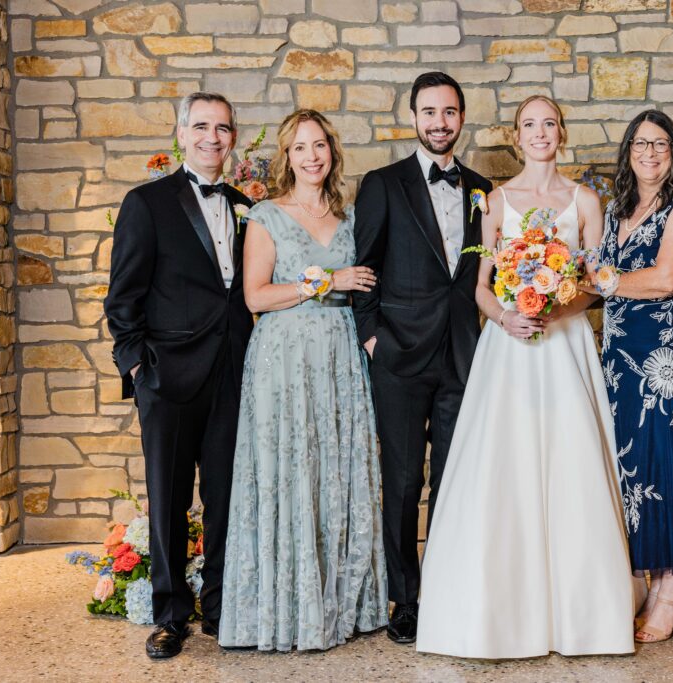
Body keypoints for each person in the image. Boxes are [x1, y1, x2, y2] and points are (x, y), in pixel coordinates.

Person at [415, 95, 634, 659]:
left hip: (564, 345)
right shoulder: (495, 200)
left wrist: (560, 307)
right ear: (517, 136)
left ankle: (583, 616)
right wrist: (509, 315)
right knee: (503, 465)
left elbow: (596, 282)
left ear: (563, 132)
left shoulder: (586, 200)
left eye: (550, 123)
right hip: (509, 348)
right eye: (530, 125)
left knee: (572, 461)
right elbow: (482, 286)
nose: (541, 133)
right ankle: (497, 614)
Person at [217, 109, 388, 651]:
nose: (312, 156)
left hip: (340, 356)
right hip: (283, 361)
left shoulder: (354, 217)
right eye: (300, 148)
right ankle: (286, 609)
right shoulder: (267, 214)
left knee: (336, 469)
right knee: (289, 470)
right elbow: (255, 297)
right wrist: (325, 282)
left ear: (332, 153)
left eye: (320, 146)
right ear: (286, 157)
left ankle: (343, 604)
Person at [104, 92, 254, 659]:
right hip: (166, 378)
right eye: (201, 127)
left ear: (233, 136)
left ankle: (217, 607)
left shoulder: (246, 205)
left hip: (233, 373)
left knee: (225, 496)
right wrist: (138, 367)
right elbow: (123, 298)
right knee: (167, 498)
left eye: (222, 128)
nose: (212, 138)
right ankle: (170, 614)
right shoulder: (147, 203)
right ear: (181, 134)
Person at [351, 72, 492, 644]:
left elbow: (486, 272)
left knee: (456, 479)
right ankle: (404, 598)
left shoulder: (484, 188)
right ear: (413, 117)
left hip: (463, 355)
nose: (440, 122)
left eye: (450, 112)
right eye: (429, 112)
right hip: (399, 355)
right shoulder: (383, 184)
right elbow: (364, 266)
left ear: (462, 118)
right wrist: (371, 336)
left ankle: (448, 586)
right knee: (405, 480)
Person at [589, 110, 673, 643]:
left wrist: (598, 279)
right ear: (628, 151)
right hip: (624, 356)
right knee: (635, 468)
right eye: (641, 143)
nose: (650, 153)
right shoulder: (616, 209)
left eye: (661, 144)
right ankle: (647, 581)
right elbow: (598, 282)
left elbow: (669, 277)